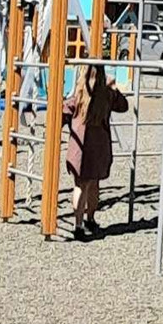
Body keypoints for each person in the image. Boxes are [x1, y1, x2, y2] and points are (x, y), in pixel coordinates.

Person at [64, 63, 129, 240]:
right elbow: (123, 106)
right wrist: (114, 88)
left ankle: (78, 225)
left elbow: (64, 111)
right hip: (100, 147)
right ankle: (90, 219)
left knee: (80, 186)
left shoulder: (78, 95)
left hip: (80, 148)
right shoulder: (107, 95)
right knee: (94, 185)